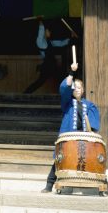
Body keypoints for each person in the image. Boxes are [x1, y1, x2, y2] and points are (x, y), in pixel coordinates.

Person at [41, 62, 101, 193]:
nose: (77, 89)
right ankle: (49, 184)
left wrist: (92, 133)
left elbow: (94, 123)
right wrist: (71, 72)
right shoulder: (67, 103)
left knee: (93, 158)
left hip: (84, 137)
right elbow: (64, 88)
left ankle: (103, 185)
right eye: (74, 88)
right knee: (60, 159)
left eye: (79, 87)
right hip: (69, 136)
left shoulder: (89, 105)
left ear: (83, 90)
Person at [24, 18, 76, 94]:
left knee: (62, 78)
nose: (50, 32)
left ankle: (70, 93)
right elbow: (40, 32)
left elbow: (61, 43)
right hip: (47, 66)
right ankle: (26, 93)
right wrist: (41, 23)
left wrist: (71, 38)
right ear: (44, 32)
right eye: (48, 31)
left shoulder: (50, 42)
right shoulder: (40, 42)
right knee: (39, 82)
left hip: (52, 65)